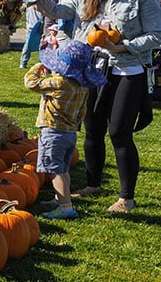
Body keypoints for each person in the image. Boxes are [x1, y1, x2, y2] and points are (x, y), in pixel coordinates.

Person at [19, 0, 161, 214]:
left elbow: (157, 34)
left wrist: (124, 46)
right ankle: (93, 183)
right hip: (93, 68)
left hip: (127, 69)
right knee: (92, 128)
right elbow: (57, 10)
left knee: (119, 132)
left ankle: (126, 197)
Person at [24, 40, 108, 220]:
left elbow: (30, 83)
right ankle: (60, 198)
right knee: (63, 169)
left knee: (56, 171)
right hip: (69, 134)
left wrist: (39, 67)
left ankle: (65, 208)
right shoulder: (82, 87)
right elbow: (82, 111)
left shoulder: (59, 83)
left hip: (53, 132)